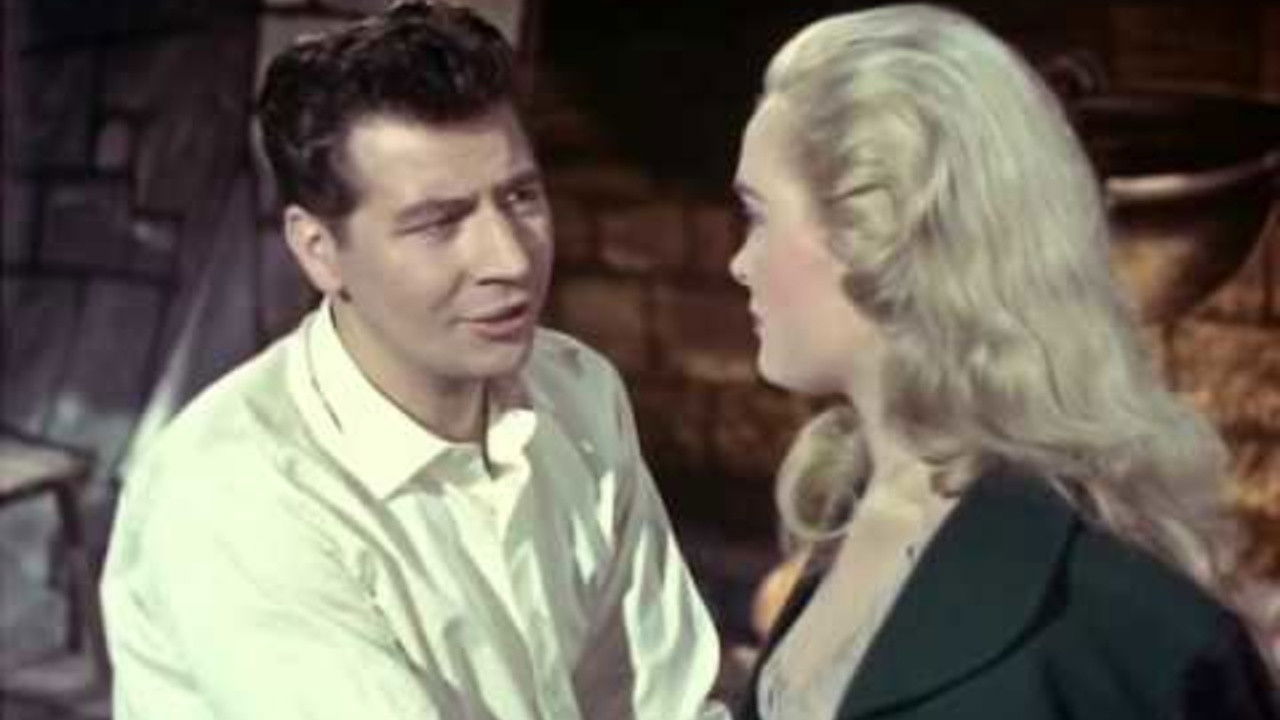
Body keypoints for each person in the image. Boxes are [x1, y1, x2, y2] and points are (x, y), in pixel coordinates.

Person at [100, 3, 728, 718]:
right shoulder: (232, 490)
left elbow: (660, 699)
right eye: (438, 222)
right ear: (319, 251)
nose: (509, 259)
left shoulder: (577, 389)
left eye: (521, 197)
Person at [727, 4, 1279, 718]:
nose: (740, 263)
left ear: (884, 230)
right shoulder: (848, 516)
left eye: (758, 216)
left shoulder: (1130, 627)